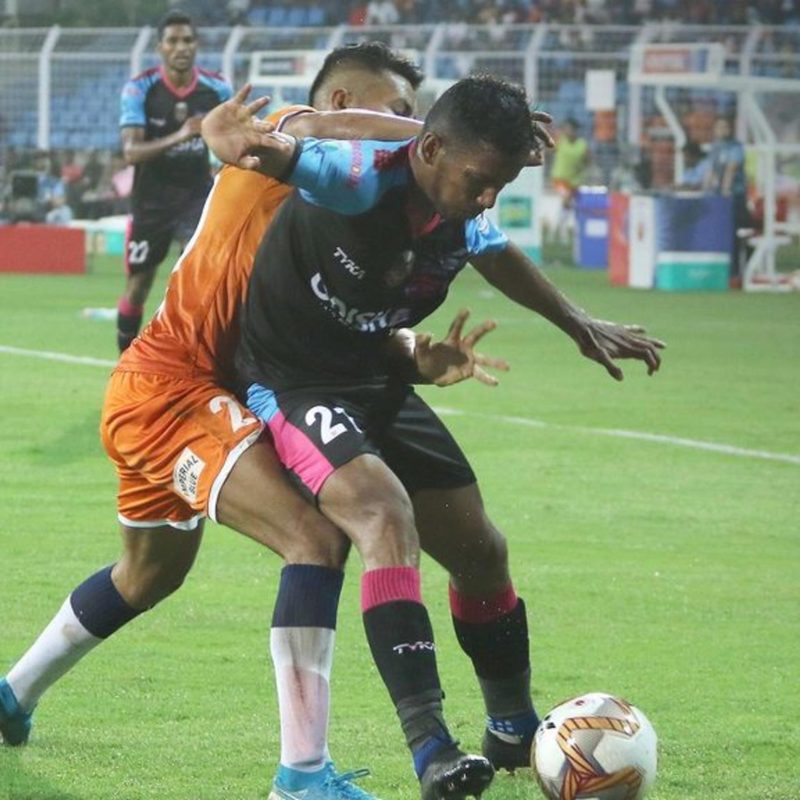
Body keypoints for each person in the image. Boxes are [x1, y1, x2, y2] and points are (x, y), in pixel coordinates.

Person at [0, 44, 522, 800]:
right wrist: (438, 132)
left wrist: (414, 353)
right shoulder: (278, 139)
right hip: (171, 390)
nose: (406, 132)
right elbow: (299, 126)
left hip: (211, 393)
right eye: (398, 112)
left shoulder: (350, 209)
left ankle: (12, 695)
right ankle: (300, 779)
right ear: (344, 104)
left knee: (147, 574)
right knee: (313, 539)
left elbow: (344, 331)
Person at [231, 75, 664, 800]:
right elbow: (288, 146)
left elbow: (494, 252)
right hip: (294, 384)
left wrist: (579, 324)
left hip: (377, 379)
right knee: (383, 513)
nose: (489, 197)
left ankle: (511, 726)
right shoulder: (357, 179)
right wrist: (235, 139)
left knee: (481, 551)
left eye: (502, 184)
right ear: (430, 150)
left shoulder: (461, 207)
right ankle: (431, 747)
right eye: (480, 180)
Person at [116, 10, 232, 353]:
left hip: (196, 199)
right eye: (173, 41)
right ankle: (124, 365)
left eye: (188, 40)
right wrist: (181, 135)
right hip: (150, 201)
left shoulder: (217, 88)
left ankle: (190, 363)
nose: (181, 47)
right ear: (160, 48)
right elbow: (131, 152)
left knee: (196, 282)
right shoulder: (140, 88)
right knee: (138, 285)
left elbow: (229, 139)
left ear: (196, 45)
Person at [702, 115, 750, 282]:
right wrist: (705, 191)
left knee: (732, 234)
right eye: (719, 127)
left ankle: (734, 272)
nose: (722, 130)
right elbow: (711, 170)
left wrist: (725, 192)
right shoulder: (715, 147)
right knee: (717, 233)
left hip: (735, 198)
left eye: (725, 127)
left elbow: (731, 169)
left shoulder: (735, 147)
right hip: (719, 200)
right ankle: (716, 268)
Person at [549, 117, 589, 243]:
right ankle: (561, 233)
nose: (568, 131)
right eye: (566, 129)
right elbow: (549, 150)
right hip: (560, 178)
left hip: (574, 181)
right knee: (566, 200)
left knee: (567, 206)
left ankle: (557, 229)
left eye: (571, 129)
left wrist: (582, 168)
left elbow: (588, 160)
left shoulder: (582, 145)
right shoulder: (561, 140)